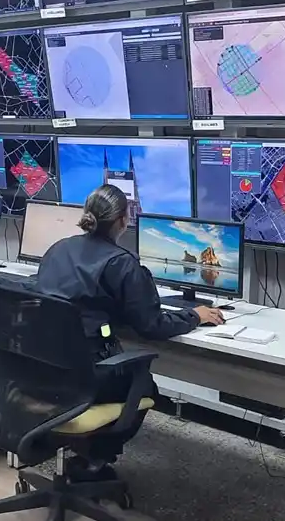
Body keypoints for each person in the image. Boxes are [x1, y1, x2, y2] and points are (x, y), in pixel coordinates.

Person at [36, 184, 224, 481]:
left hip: (42, 371)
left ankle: (82, 450)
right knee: (144, 386)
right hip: (88, 377)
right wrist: (195, 316)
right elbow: (152, 325)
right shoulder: (122, 263)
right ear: (125, 219)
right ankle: (95, 460)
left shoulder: (59, 248)